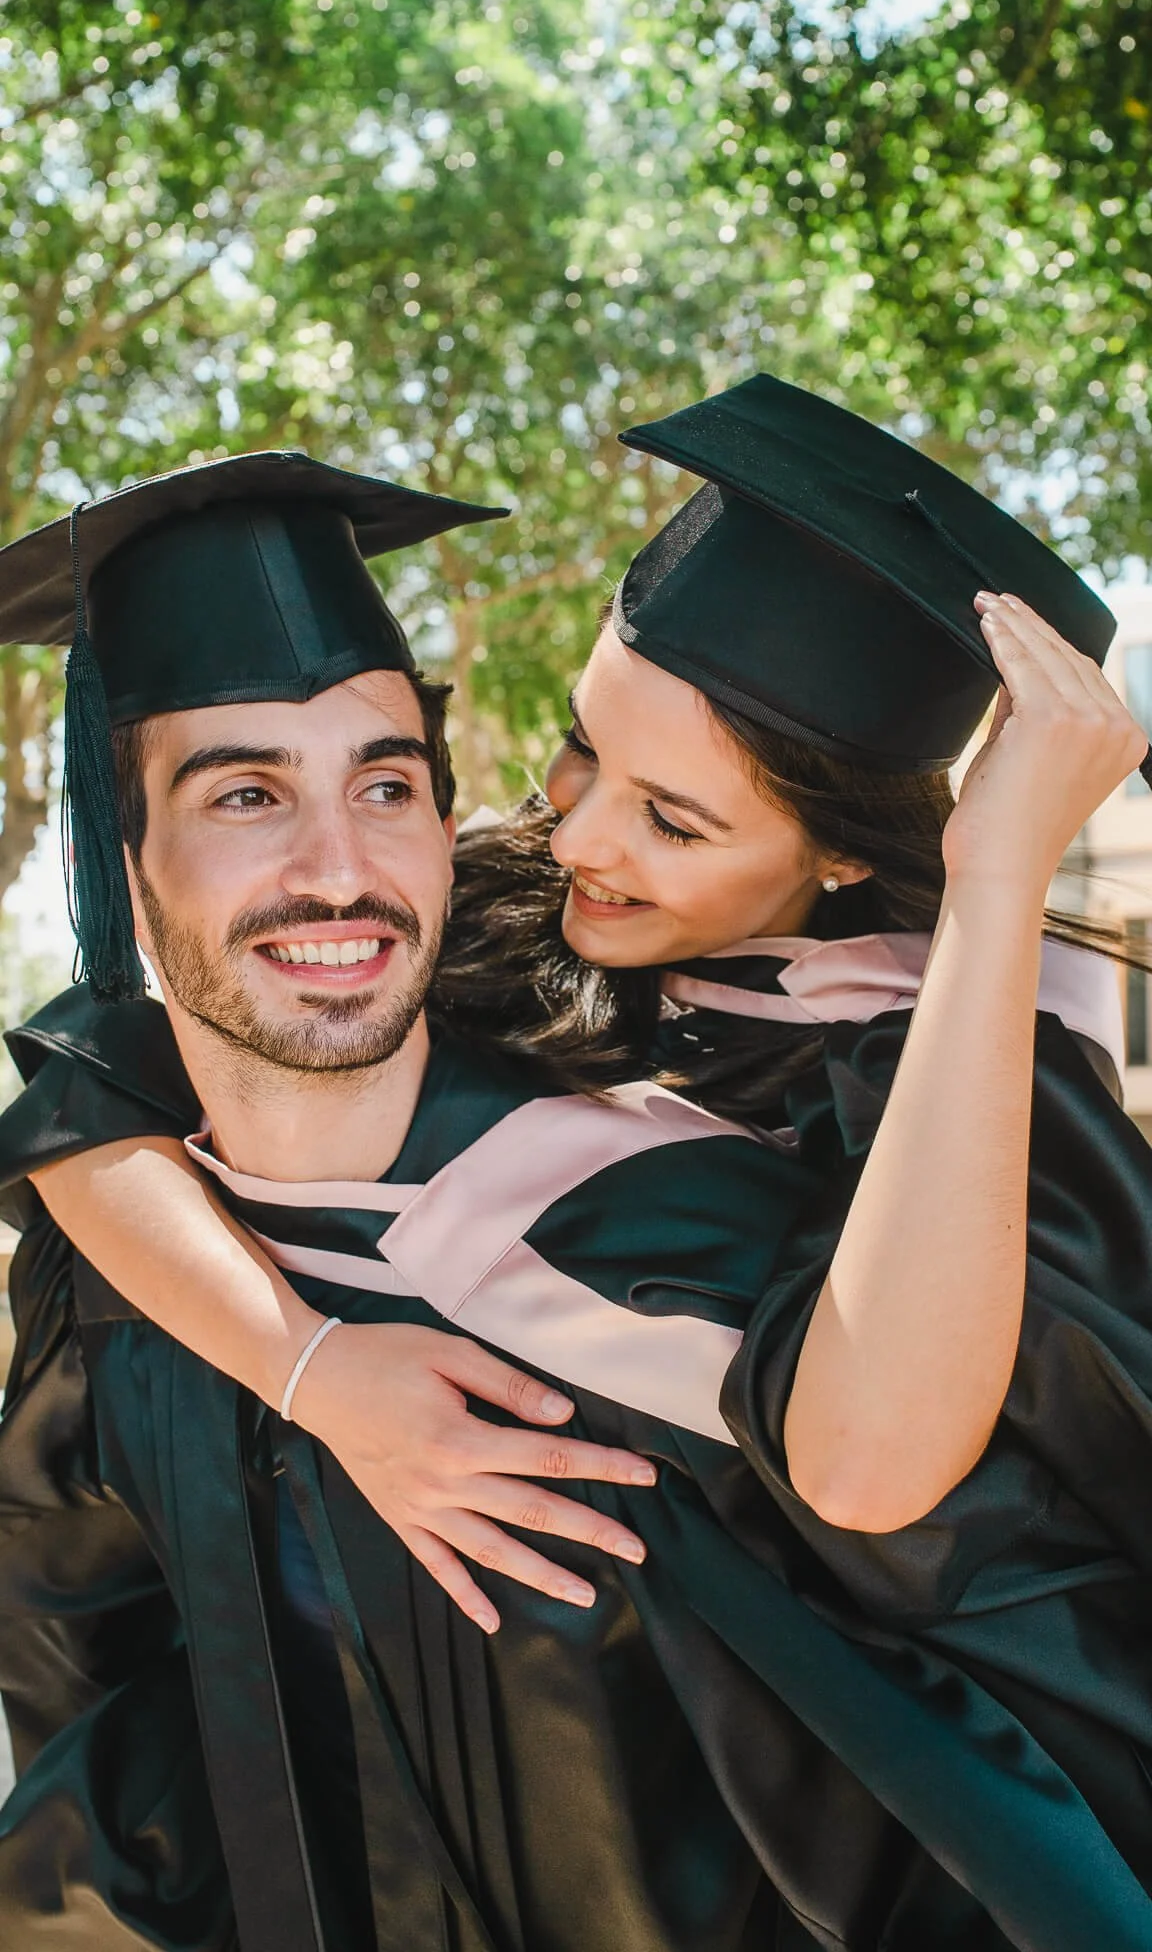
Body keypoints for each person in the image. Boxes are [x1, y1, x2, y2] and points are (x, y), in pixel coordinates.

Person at [1, 382, 1151, 1951]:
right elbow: (93, 1112)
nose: (586, 839)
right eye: (578, 750)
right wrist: (316, 1369)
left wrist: (1002, 867)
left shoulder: (966, 1081)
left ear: (834, 852)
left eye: (674, 819)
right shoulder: (506, 904)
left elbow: (875, 1469)